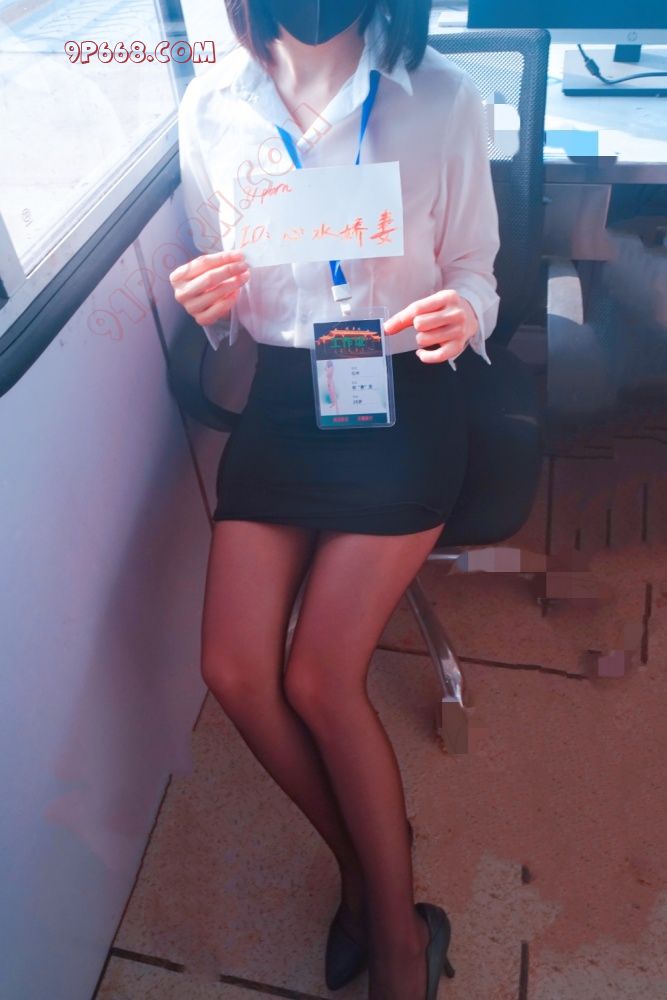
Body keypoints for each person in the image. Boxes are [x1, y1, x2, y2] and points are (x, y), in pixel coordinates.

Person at [169, 1, 500, 997]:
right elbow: (225, 281)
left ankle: (397, 939)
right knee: (235, 670)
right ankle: (366, 862)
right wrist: (211, 306)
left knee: (319, 676)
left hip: (402, 394)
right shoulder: (212, 105)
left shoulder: (443, 97)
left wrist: (464, 312)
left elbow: (477, 269)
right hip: (286, 394)